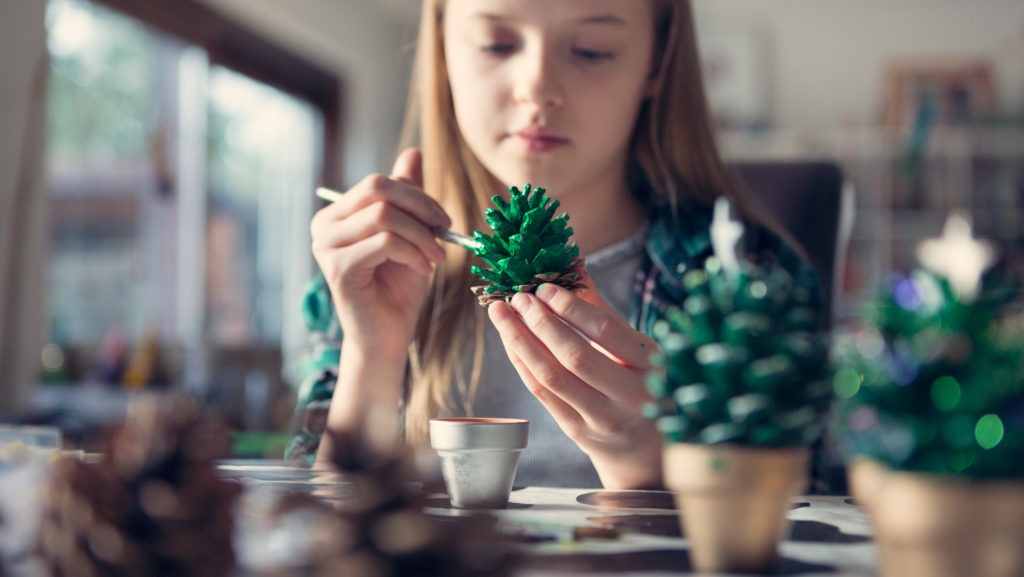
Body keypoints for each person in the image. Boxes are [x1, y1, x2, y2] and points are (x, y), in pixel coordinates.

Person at [287, 0, 821, 489]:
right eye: (497, 44)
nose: (538, 88)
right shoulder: (368, 269)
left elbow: (796, 533)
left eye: (592, 50)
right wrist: (372, 358)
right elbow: (319, 546)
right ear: (443, 50)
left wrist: (650, 474)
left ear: (656, 64)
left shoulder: (753, 280)